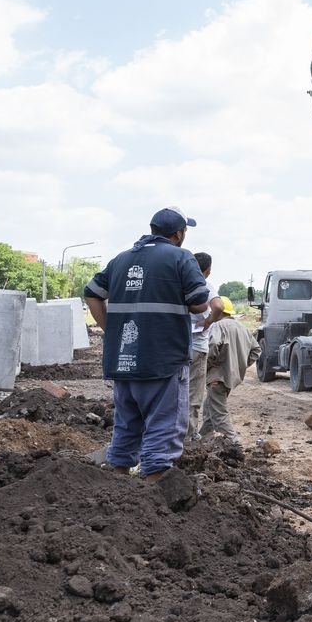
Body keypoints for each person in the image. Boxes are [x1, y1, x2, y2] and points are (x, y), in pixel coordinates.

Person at [84, 206, 210, 482]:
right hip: (162, 360)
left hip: (123, 360)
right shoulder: (181, 258)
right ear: (179, 234)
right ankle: (153, 489)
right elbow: (200, 302)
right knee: (164, 426)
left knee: (126, 424)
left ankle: (117, 484)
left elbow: (91, 294)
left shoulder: (121, 259)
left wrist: (111, 331)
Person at [200, 296, 261, 443]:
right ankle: (201, 440)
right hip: (229, 378)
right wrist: (239, 365)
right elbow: (256, 350)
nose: (210, 314)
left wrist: (207, 365)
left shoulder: (218, 326)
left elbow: (213, 345)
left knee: (219, 414)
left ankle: (234, 444)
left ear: (220, 311)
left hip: (217, 376)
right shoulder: (242, 327)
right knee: (209, 408)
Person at [189, 252, 224, 438]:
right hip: (196, 348)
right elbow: (218, 307)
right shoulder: (204, 285)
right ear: (208, 270)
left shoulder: (178, 283)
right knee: (193, 395)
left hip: (174, 346)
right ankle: (188, 437)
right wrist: (208, 321)